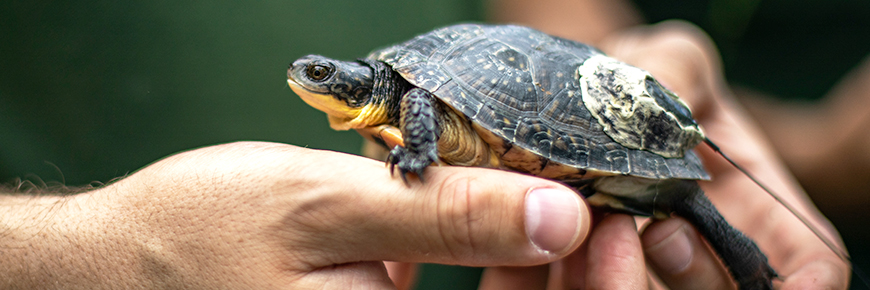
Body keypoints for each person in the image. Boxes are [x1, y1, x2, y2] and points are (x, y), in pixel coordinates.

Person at [1, 22, 850, 290]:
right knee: (674, 204)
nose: (308, 78)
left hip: (576, 144)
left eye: (325, 76)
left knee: (685, 205)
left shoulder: (405, 99)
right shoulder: (390, 96)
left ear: (365, 86)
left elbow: (520, 38)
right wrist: (85, 253)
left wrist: (637, 66)